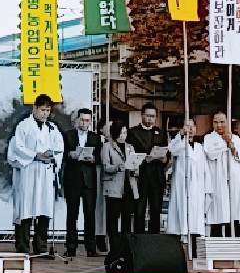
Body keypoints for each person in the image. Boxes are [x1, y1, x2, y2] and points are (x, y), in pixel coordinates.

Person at [7, 94, 64, 256]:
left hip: (45, 173)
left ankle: (41, 246)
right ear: (35, 108)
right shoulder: (24, 126)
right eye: (42, 110)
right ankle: (23, 245)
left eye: (48, 110)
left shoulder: (52, 128)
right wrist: (35, 155)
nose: (45, 113)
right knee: (26, 208)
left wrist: (52, 157)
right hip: (29, 171)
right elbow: (17, 148)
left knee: (43, 208)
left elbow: (59, 148)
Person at [62, 108, 102, 257]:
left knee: (90, 214)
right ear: (77, 120)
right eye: (83, 120)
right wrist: (70, 155)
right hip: (73, 178)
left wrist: (92, 159)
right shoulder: (68, 135)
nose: (85, 123)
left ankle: (91, 247)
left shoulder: (95, 137)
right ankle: (71, 247)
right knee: (72, 214)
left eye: (88, 120)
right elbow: (62, 154)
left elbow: (99, 158)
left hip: (89, 180)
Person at [204, 112, 240, 238]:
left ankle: (235, 242)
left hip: (233, 180)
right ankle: (216, 242)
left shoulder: (235, 138)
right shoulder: (209, 138)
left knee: (234, 212)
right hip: (218, 180)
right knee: (218, 213)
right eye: (216, 122)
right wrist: (225, 143)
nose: (219, 125)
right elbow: (210, 153)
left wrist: (231, 145)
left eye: (222, 122)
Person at [127, 103, 167, 233]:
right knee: (139, 209)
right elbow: (130, 154)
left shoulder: (161, 133)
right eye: (148, 115)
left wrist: (163, 158)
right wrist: (144, 159)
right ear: (142, 115)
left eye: (153, 116)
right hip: (141, 176)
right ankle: (139, 238)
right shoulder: (133, 132)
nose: (150, 119)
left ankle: (154, 238)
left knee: (156, 209)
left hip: (157, 176)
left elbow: (167, 153)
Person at [166, 120, 207, 245]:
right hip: (182, 185)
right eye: (187, 126)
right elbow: (172, 149)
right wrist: (181, 135)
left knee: (196, 216)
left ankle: (194, 240)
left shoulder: (199, 147)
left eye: (192, 126)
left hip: (197, 185)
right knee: (182, 211)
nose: (190, 129)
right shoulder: (180, 144)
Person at [100, 121, 135, 255]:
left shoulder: (130, 147)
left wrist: (135, 168)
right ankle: (114, 248)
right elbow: (105, 166)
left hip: (128, 186)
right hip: (114, 186)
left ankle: (126, 248)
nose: (123, 136)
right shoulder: (107, 146)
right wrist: (118, 167)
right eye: (120, 133)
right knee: (113, 219)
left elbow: (134, 165)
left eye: (125, 133)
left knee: (127, 219)